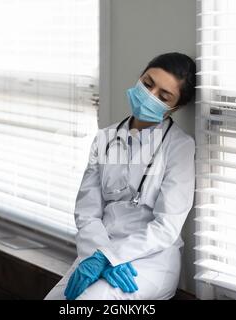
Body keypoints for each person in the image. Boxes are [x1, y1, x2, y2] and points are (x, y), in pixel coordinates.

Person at [44, 52, 196, 300]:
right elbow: (87, 212)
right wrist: (100, 255)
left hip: (149, 261)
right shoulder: (104, 138)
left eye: (163, 96)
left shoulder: (179, 147)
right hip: (97, 250)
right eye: (148, 83)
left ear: (174, 107)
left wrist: (112, 257)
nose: (150, 95)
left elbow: (166, 227)